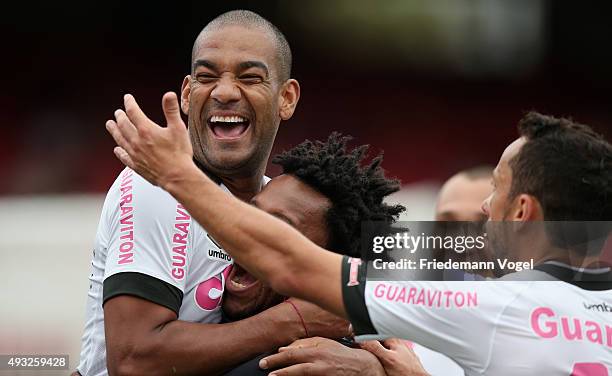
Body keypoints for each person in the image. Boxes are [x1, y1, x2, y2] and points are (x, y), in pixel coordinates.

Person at [107, 106, 612, 374]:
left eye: (496, 191)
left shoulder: (488, 306)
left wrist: (178, 175)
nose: (480, 213)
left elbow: (297, 266)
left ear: (523, 212)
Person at [75, 10, 350, 376]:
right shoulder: (154, 186)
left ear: (286, 97)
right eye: (207, 77)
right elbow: (133, 361)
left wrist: (370, 363)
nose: (223, 92)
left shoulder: (283, 206)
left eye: (250, 77)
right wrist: (293, 321)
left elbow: (401, 292)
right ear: (188, 95)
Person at [222, 133, 428, 375]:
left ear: (329, 264)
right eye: (251, 213)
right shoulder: (197, 280)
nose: (246, 234)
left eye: (278, 230)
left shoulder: (308, 364)